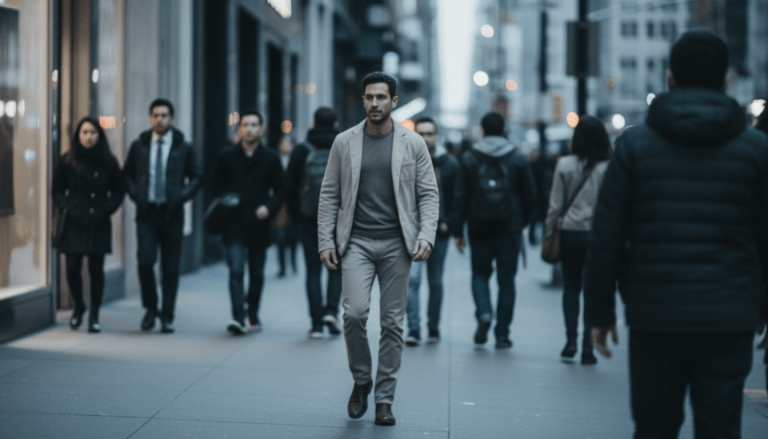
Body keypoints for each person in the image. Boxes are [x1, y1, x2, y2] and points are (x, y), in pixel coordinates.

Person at [584, 31, 768, 438]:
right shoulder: (756, 149)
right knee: (720, 426)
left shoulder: (634, 146)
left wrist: (598, 313)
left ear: (670, 78)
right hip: (730, 314)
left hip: (656, 312)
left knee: (654, 425)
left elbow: (607, 234)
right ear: (726, 81)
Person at [317, 72, 439, 426]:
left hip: (397, 244)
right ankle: (361, 380)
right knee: (354, 314)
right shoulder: (345, 142)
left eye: (381, 98)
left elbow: (429, 194)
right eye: (369, 97)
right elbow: (329, 194)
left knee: (392, 323)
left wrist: (426, 234)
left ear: (394, 102)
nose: (374, 104)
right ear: (363, 100)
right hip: (355, 242)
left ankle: (384, 399)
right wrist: (326, 239)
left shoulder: (412, 143)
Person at [451, 112, 537, 349]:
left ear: (483, 130)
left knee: (480, 274)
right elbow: (531, 195)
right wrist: (524, 223)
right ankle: (502, 334)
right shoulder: (518, 158)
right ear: (504, 129)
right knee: (507, 280)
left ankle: (484, 313)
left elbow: (460, 197)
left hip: (479, 226)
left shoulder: (469, 158)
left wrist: (458, 230)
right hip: (510, 227)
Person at [124, 99, 202, 334]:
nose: (160, 120)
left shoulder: (183, 147)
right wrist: (136, 194)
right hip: (146, 214)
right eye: (156, 115)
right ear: (150, 118)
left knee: (170, 268)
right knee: (145, 262)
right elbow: (126, 173)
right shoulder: (139, 145)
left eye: (165, 115)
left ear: (172, 118)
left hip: (172, 215)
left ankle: (167, 315)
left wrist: (180, 196)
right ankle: (150, 308)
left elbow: (198, 176)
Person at [543, 116, 611, 364]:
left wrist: (549, 231)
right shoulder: (608, 168)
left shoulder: (565, 164)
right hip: (597, 235)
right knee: (592, 290)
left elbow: (555, 204)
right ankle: (587, 346)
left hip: (570, 232)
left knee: (571, 287)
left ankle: (570, 340)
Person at [210, 110, 284, 335]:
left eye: (254, 125)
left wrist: (269, 208)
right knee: (236, 270)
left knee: (257, 273)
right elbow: (214, 184)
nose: (250, 129)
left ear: (261, 129)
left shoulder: (271, 157)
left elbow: (281, 189)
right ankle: (238, 318)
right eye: (245, 125)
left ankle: (252, 313)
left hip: (259, 223)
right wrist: (226, 197)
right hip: (233, 222)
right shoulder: (227, 156)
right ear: (239, 129)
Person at [52, 117, 125, 333]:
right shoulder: (68, 160)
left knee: (96, 269)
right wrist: (68, 207)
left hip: (98, 221)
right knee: (72, 268)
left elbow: (118, 191)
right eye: (84, 132)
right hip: (74, 220)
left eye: (92, 132)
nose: (88, 136)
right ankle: (79, 306)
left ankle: (94, 314)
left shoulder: (108, 161)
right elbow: (56, 190)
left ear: (99, 136)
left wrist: (105, 209)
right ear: (78, 135)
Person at [284, 107, 343, 339]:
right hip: (338, 218)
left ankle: (316, 324)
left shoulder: (301, 150)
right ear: (335, 124)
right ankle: (331, 312)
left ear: (313, 123)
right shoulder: (343, 147)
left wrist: (296, 216)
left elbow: (288, 187)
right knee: (336, 267)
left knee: (312, 270)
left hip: (309, 218)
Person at [404, 116, 459, 345]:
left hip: (439, 231)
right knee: (412, 282)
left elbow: (458, 196)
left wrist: (449, 223)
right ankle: (414, 329)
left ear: (436, 136)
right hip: (413, 230)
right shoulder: (406, 159)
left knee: (435, 282)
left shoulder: (449, 163)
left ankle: (433, 327)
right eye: (421, 133)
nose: (426, 138)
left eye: (429, 133)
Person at [273, 135, 298, 278]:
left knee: (293, 236)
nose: (285, 146)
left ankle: (293, 262)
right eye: (282, 143)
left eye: (288, 143)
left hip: (293, 203)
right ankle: (282, 267)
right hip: (280, 204)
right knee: (280, 237)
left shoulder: (296, 161)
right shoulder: (275, 160)